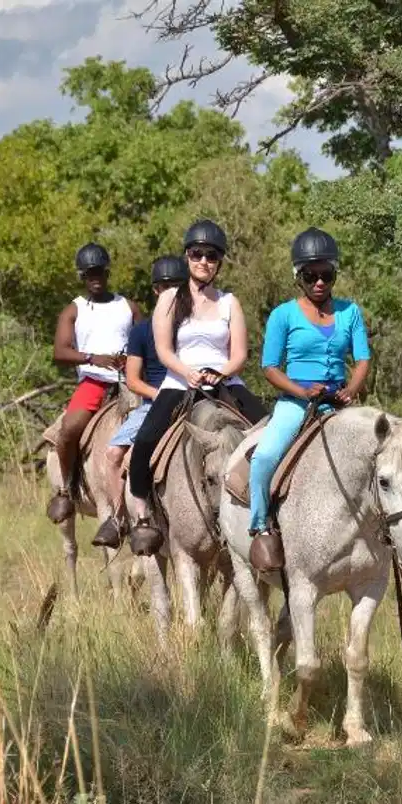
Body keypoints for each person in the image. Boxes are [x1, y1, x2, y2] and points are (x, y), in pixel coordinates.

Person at [126, 221, 266, 557]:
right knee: (144, 441)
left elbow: (240, 355)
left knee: (269, 433)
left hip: (224, 381)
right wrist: (186, 372)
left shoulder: (230, 302)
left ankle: (267, 517)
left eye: (212, 255)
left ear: (220, 261)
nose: (204, 260)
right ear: (187, 256)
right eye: (197, 253)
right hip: (180, 379)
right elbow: (163, 350)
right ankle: (144, 517)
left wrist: (221, 372)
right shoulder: (171, 299)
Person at [247, 227, 371, 572]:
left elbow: (362, 360)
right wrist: (301, 392)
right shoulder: (282, 315)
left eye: (326, 275)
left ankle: (383, 529)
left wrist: (352, 390)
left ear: (334, 275)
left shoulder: (351, 312)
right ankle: (260, 526)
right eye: (310, 275)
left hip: (338, 401)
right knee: (263, 458)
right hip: (296, 401)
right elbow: (269, 368)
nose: (319, 282)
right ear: (298, 277)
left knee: (382, 451)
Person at [91, 255, 187, 548]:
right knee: (114, 455)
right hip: (155, 401)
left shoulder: (194, 327)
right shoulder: (142, 331)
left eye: (175, 286)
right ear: (155, 290)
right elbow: (133, 379)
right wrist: (159, 395)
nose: (169, 291)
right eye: (163, 286)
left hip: (195, 397)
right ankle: (121, 517)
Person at [47, 242, 140, 524]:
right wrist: (91, 358)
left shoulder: (128, 307)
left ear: (107, 272)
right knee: (68, 430)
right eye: (89, 274)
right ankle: (66, 489)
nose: (95, 278)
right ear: (82, 277)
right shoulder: (74, 310)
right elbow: (60, 351)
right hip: (94, 382)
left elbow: (146, 341)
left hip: (129, 382)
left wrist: (131, 359)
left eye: (99, 272)